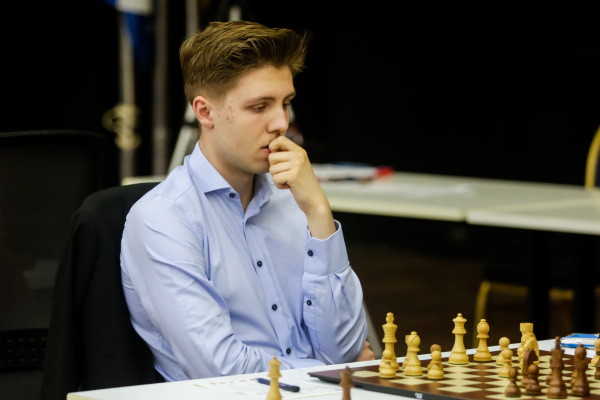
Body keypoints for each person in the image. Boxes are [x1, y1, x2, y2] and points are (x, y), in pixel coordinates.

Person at [120, 20, 374, 382]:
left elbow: (346, 348)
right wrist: (334, 372)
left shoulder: (296, 201)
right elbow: (220, 371)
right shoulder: (162, 219)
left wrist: (319, 213)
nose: (281, 123)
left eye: (286, 103)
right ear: (205, 112)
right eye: (260, 107)